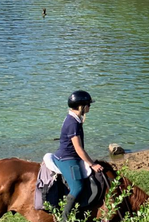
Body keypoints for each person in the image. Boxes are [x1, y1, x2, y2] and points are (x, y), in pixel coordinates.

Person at [53, 90, 103, 221]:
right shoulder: (73, 123)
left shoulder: (74, 119)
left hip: (71, 156)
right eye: (88, 104)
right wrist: (92, 164)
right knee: (78, 186)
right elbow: (79, 149)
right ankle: (64, 219)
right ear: (82, 106)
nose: (89, 107)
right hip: (67, 159)